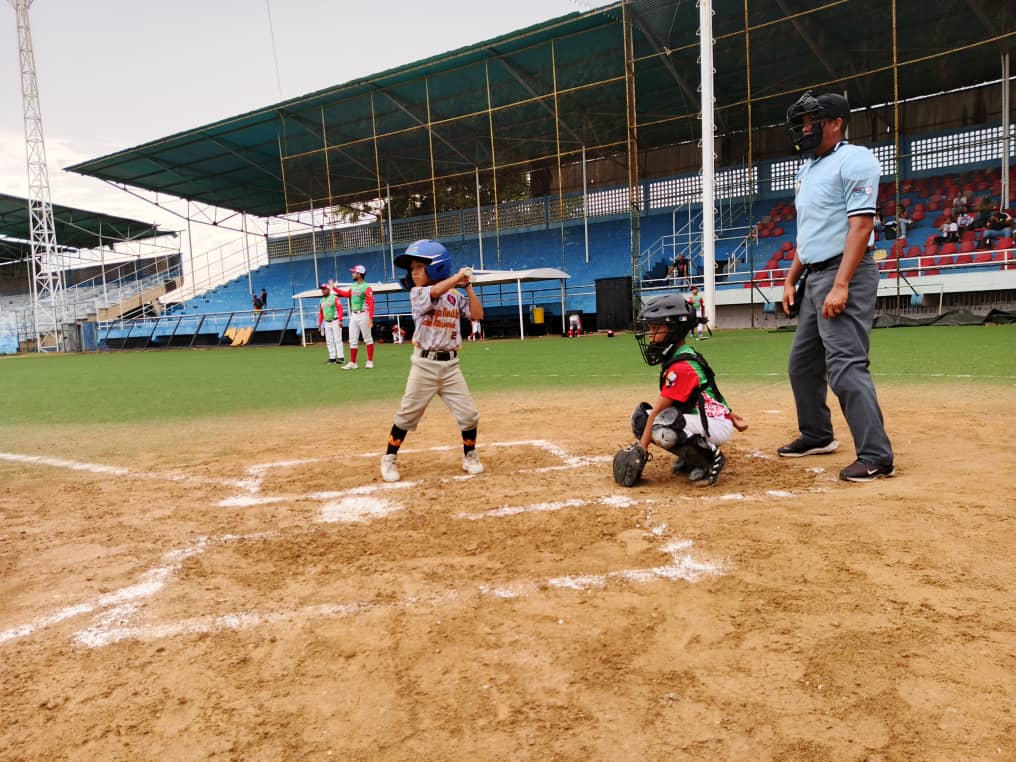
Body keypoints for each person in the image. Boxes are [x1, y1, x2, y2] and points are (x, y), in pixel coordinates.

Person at [781, 91, 895, 482]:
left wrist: (842, 284)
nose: (805, 129)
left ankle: (877, 455)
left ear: (836, 123)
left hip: (845, 273)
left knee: (845, 366)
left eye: (813, 121)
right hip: (814, 274)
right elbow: (809, 234)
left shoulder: (855, 159)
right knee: (802, 364)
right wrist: (791, 278)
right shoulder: (807, 169)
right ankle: (816, 434)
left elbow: (861, 226)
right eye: (802, 122)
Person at [380, 239, 484, 482]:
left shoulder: (455, 296)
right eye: (412, 268)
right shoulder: (418, 293)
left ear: (436, 267)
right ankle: (389, 458)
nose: (413, 273)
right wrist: (457, 277)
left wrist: (467, 287)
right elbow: (436, 292)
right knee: (407, 415)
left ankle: (470, 455)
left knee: (469, 415)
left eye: (418, 267)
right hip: (424, 365)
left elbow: (477, 314)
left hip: (450, 366)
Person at [627, 293, 748, 486]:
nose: (650, 335)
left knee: (659, 425)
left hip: (713, 424)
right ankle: (691, 457)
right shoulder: (680, 355)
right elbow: (709, 391)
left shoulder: (681, 367)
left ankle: (709, 460)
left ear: (674, 331)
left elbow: (657, 413)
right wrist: (730, 414)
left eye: (655, 328)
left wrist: (640, 451)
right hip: (708, 419)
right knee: (641, 418)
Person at [333, 265, 375, 369]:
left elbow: (371, 303)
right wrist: (334, 288)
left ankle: (369, 361)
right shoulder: (354, 285)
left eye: (354, 272)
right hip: (354, 315)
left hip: (364, 314)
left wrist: (370, 319)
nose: (352, 274)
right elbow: (347, 294)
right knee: (352, 339)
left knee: (367, 338)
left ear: (359, 274)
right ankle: (353, 362)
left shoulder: (366, 287)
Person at [316, 281, 345, 365]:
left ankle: (341, 357)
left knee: (337, 340)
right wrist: (319, 323)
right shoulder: (321, 300)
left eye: (324, 289)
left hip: (335, 321)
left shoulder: (334, 297)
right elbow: (321, 313)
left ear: (329, 289)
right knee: (329, 341)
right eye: (322, 289)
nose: (323, 291)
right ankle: (332, 358)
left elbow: (340, 309)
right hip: (327, 322)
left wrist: (340, 320)